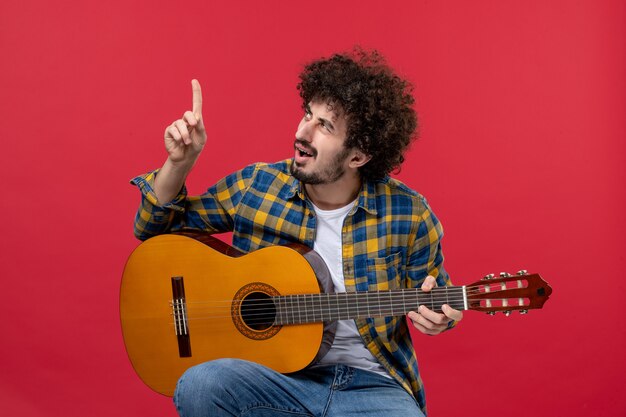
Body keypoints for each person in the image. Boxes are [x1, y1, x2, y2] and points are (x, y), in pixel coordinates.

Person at [131, 49, 463, 417]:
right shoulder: (258, 185)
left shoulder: (409, 214)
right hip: (273, 378)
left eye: (325, 126)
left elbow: (436, 301)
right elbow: (152, 231)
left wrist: (442, 315)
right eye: (308, 114)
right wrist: (179, 164)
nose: (301, 132)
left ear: (358, 156)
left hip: (372, 385)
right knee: (201, 383)